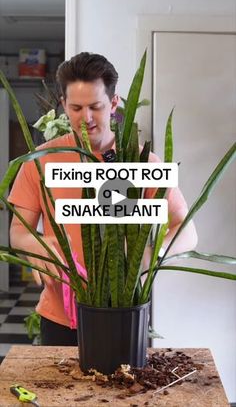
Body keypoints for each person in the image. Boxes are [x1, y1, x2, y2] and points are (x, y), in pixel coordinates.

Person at [8, 52, 198, 345]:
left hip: (125, 312)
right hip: (61, 319)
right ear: (63, 105)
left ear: (113, 103)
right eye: (76, 107)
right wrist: (39, 243)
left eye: (95, 107)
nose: (86, 118)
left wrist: (147, 258)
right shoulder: (40, 162)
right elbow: (18, 233)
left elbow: (186, 231)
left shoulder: (143, 163)